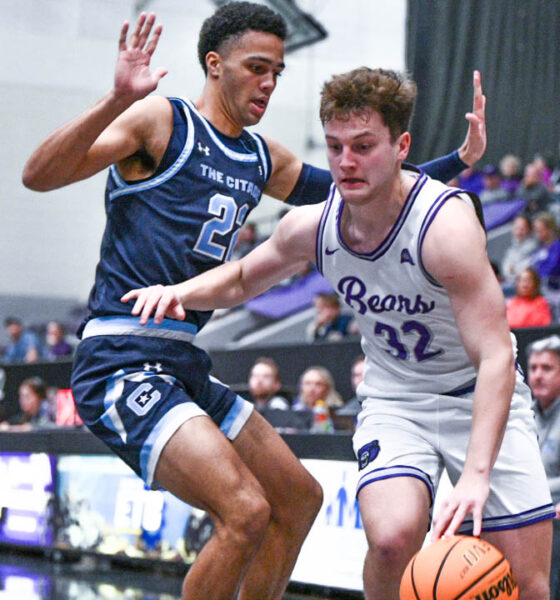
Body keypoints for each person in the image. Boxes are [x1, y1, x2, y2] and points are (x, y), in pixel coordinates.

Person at [22, 3, 487, 596]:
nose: (269, 82)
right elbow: (38, 174)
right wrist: (116, 100)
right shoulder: (162, 121)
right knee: (243, 512)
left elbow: (364, 186)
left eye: (278, 72)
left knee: (297, 500)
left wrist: (460, 163)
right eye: (257, 67)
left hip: (184, 361)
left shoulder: (261, 155)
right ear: (215, 65)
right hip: (120, 357)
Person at [124, 66, 554, 600]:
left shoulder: (445, 228)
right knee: (394, 537)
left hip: (482, 394)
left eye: (363, 145)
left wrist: (476, 474)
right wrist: (179, 291)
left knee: (529, 584)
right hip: (398, 399)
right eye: (334, 146)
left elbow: (494, 356)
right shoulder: (314, 226)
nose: (346, 162)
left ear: (401, 146)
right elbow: (239, 277)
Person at [527, 335, 560, 599]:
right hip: (529, 512)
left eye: (547, 368)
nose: (538, 375)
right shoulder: (522, 414)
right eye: (533, 368)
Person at [500, 215, 538, 288]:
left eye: (522, 228)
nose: (519, 231)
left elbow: (527, 267)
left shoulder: (534, 247)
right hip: (512, 285)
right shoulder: (511, 249)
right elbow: (505, 269)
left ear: (529, 230)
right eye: (516, 228)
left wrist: (514, 269)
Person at [333, 354, 365, 431]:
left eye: (365, 374)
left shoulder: (389, 408)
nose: (361, 379)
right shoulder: (345, 413)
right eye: (357, 375)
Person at [531, 212, 560, 291]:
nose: (536, 233)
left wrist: (537, 277)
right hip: (539, 286)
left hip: (553, 288)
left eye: (538, 230)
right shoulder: (539, 248)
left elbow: (553, 268)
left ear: (549, 229)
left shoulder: (557, 246)